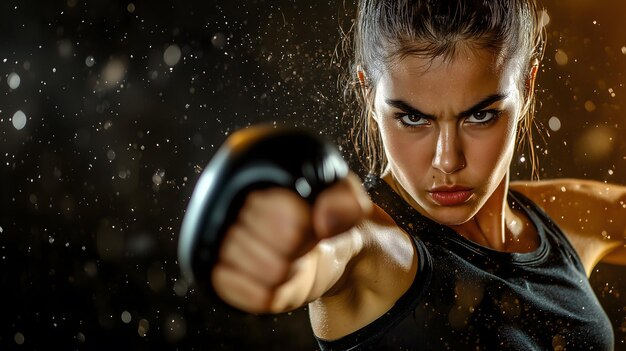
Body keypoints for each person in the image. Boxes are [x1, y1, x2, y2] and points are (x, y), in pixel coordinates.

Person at [209, 0, 626, 349]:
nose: (447, 161)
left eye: (480, 115)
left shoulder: (566, 220)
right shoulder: (372, 247)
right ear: (369, 95)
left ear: (528, 87)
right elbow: (321, 257)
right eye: (412, 118)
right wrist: (274, 253)